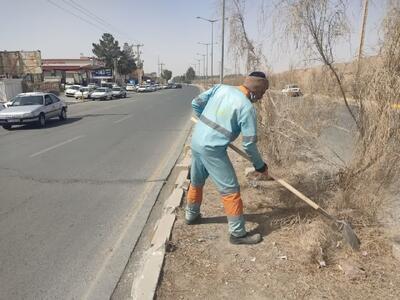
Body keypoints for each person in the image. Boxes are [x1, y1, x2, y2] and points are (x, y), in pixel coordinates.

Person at [186, 71, 269, 245]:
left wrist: (205, 125)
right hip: (213, 149)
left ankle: (191, 215)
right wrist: (260, 166)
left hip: (197, 141)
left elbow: (196, 103)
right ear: (256, 91)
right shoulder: (246, 108)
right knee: (230, 190)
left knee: (196, 181)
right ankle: (238, 234)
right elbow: (249, 145)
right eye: (261, 94)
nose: (260, 98)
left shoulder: (220, 88)